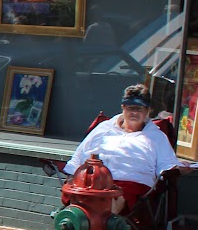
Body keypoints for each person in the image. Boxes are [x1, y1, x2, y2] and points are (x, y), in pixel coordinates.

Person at [63, 83, 190, 214]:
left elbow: (167, 165)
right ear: (123, 107)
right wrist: (72, 175)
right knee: (79, 192)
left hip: (131, 182)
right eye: (130, 108)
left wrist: (179, 168)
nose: (134, 112)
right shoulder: (103, 128)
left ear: (148, 111)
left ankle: (103, 228)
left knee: (110, 199)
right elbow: (79, 154)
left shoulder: (157, 136)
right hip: (95, 180)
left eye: (139, 109)